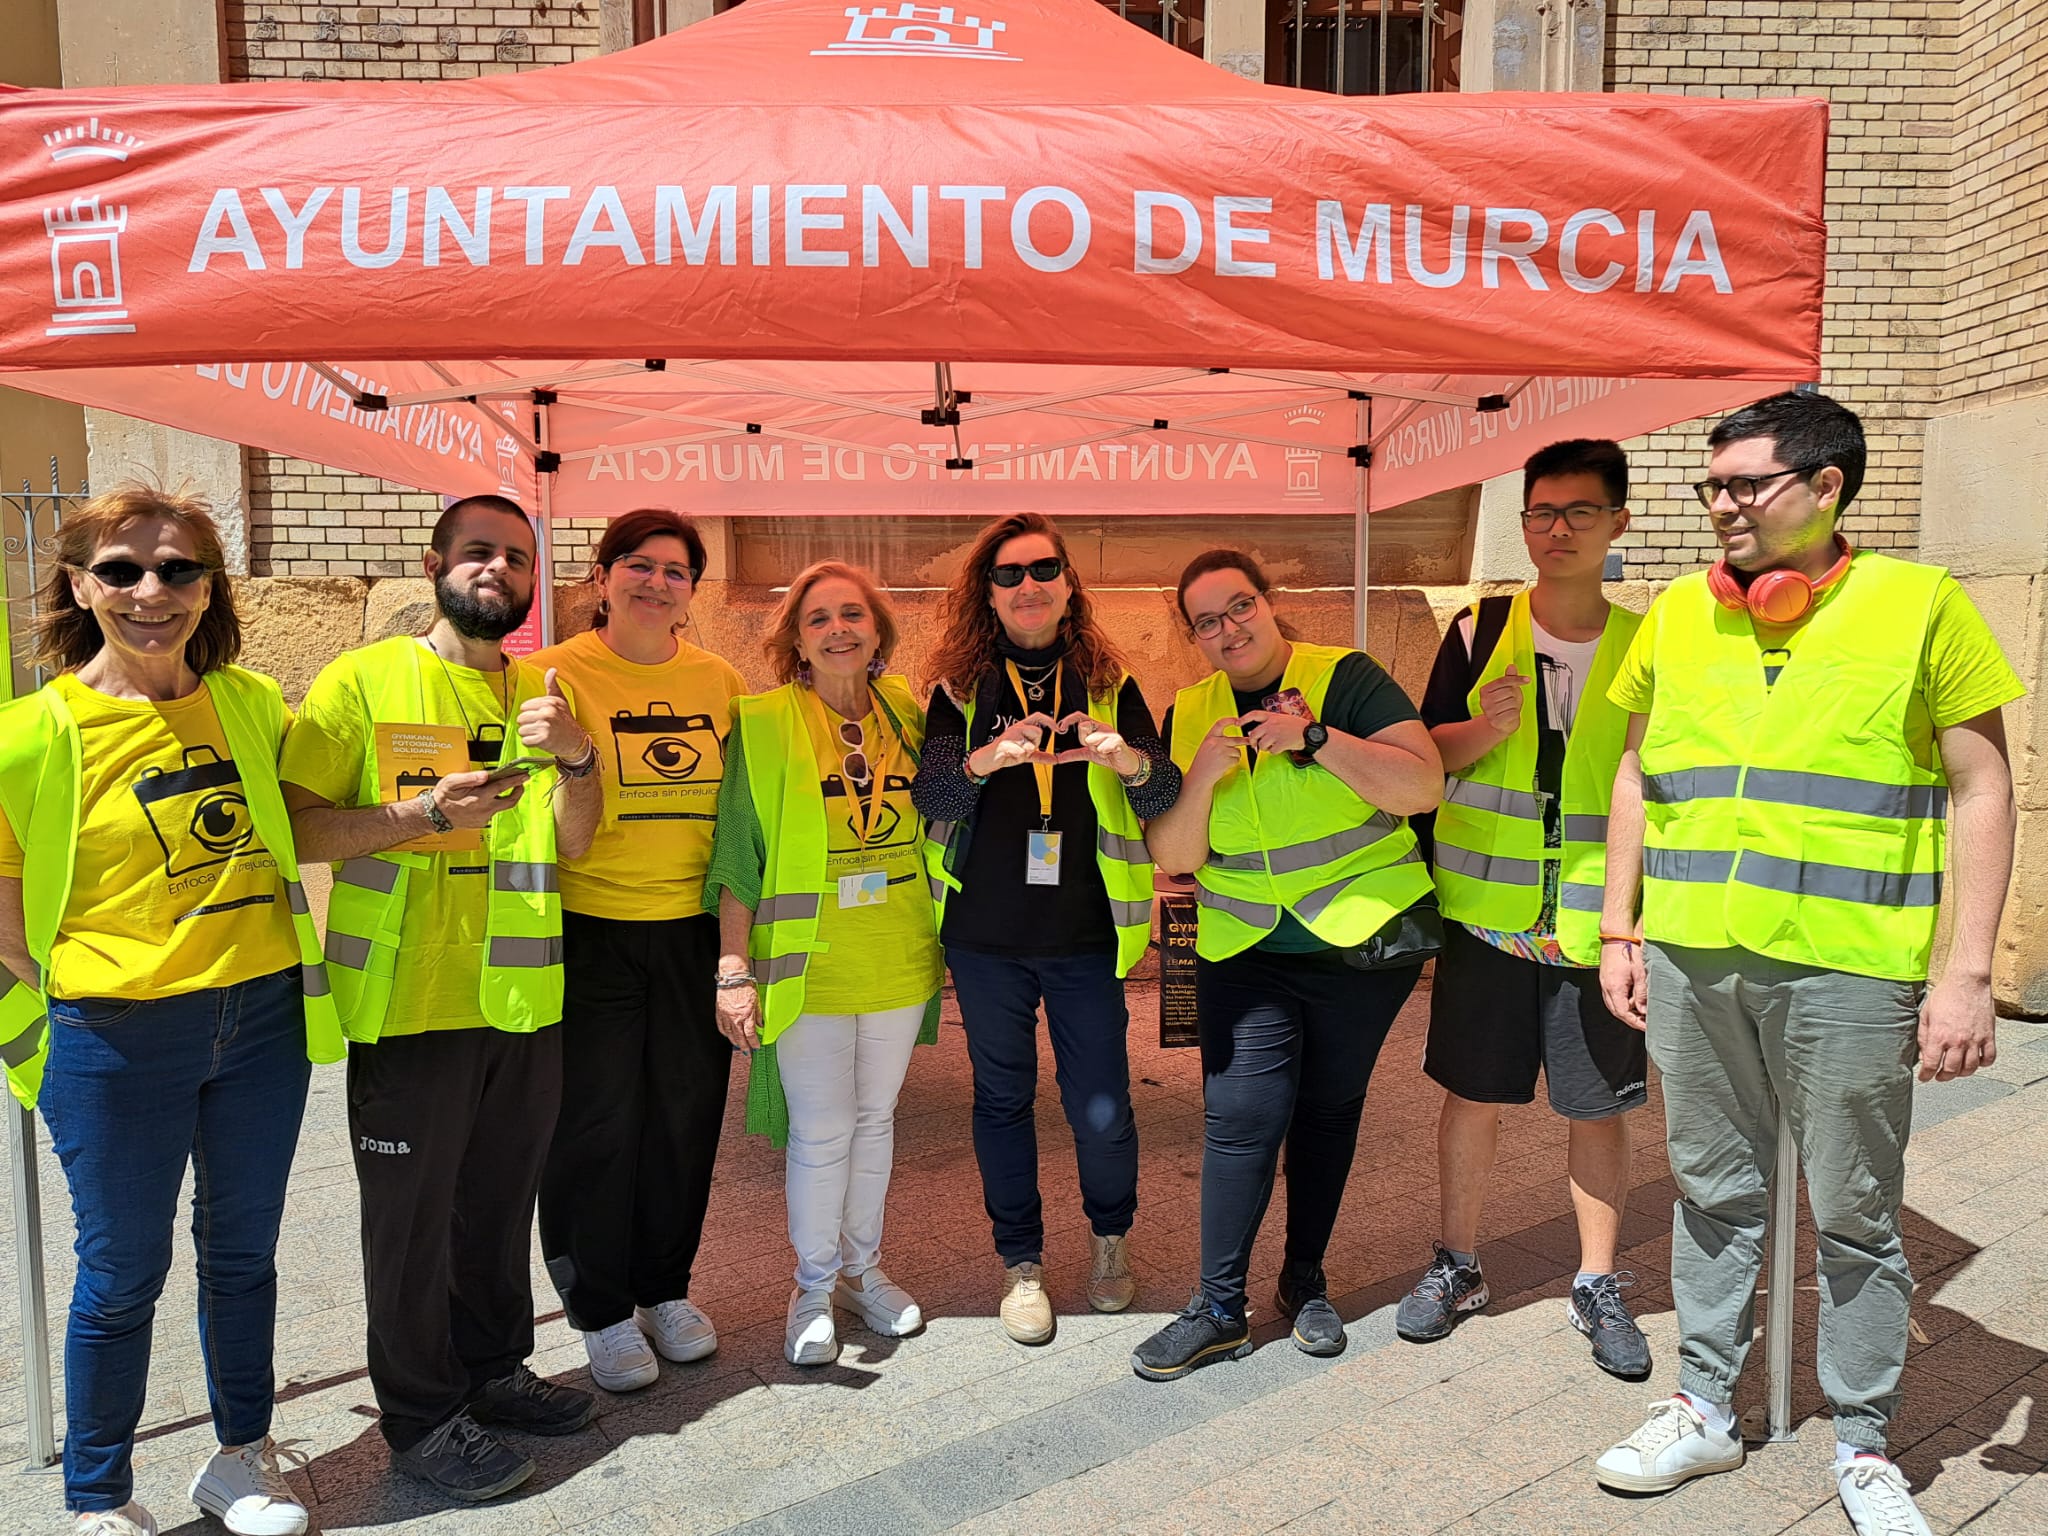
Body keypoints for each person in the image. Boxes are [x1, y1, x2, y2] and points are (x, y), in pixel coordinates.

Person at [1589, 393, 2021, 1536]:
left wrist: (1961, 972)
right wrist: (1617, 928)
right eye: (1711, 487)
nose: (1720, 506)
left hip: (1847, 967)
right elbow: (1634, 776)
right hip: (1689, 959)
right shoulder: (1675, 612)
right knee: (1711, 1193)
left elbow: (1981, 786)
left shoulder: (1920, 605)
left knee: (1854, 1213)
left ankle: (1865, 1439)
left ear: (1826, 487)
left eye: (1744, 485)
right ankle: (1703, 1409)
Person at [0, 487, 341, 1536]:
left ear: (209, 587)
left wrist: (425, 814)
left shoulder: (249, 704)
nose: (153, 592)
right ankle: (99, 1495)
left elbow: (308, 826)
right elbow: (6, 913)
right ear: (78, 584)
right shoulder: (30, 733)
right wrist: (106, 979)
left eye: (180, 570)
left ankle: (239, 1459)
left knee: (243, 1254)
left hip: (261, 1020)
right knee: (120, 1274)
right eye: (123, 570)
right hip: (115, 1038)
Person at [282, 494, 603, 1503]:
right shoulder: (361, 679)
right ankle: (421, 1420)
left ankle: (494, 1371)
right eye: (478, 552)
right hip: (408, 1000)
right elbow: (294, 827)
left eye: (516, 556)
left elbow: (580, 837)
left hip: (519, 996)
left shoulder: (545, 695)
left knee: (498, 1205)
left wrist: (581, 756)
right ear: (434, 562)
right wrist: (418, 812)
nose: (497, 569)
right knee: (412, 1226)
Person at [1129, 549, 1441, 1380]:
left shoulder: (1346, 677)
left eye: (1239, 608)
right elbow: (1176, 851)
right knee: (1240, 1120)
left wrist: (1313, 737)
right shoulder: (1190, 710)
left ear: (1270, 605)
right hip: (1243, 947)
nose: (1227, 629)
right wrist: (1198, 779)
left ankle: (1304, 1280)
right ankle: (1216, 1307)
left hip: (1359, 944)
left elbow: (1421, 787)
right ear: (1193, 637)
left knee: (1328, 1111)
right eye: (1206, 621)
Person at [1397, 439, 1652, 1379]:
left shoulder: (1644, 643)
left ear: (1618, 522)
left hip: (1595, 927)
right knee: (1473, 1097)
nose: (1558, 530)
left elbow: (1652, 785)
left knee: (1596, 1106)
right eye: (1541, 513)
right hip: (1485, 920)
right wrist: (1481, 727)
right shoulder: (1479, 629)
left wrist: (1633, 927)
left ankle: (1596, 1281)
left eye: (1580, 512)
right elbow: (1424, 761)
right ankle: (1457, 1263)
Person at [911, 513, 1178, 1345]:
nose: (1028, 585)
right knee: (1001, 1099)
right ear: (985, 593)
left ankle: (1109, 1242)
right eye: (1008, 573)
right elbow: (934, 799)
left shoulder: (1109, 682)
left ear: (1068, 584)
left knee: (1099, 1106)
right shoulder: (958, 689)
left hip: (1086, 934)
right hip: (985, 937)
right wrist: (988, 759)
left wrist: (1125, 758)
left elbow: (1163, 794)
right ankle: (1021, 1264)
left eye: (1043, 569)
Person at [704, 560, 942, 1367]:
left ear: (877, 630)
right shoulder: (764, 720)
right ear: (795, 641)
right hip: (803, 962)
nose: (839, 628)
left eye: (853, 614)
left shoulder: (907, 712)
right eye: (818, 619)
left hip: (900, 951)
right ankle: (810, 1288)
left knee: (876, 1121)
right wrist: (732, 969)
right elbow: (738, 854)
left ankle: (861, 1275)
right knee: (822, 1129)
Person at [532, 510, 745, 1392]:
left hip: (691, 932)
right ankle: (602, 1311)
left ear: (692, 590)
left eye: (674, 571)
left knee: (684, 1119)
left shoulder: (720, 681)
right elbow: (553, 830)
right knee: (593, 1125)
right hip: (592, 929)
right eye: (638, 565)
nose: (656, 583)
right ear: (601, 574)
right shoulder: (553, 676)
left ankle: (664, 1288)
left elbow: (739, 821)